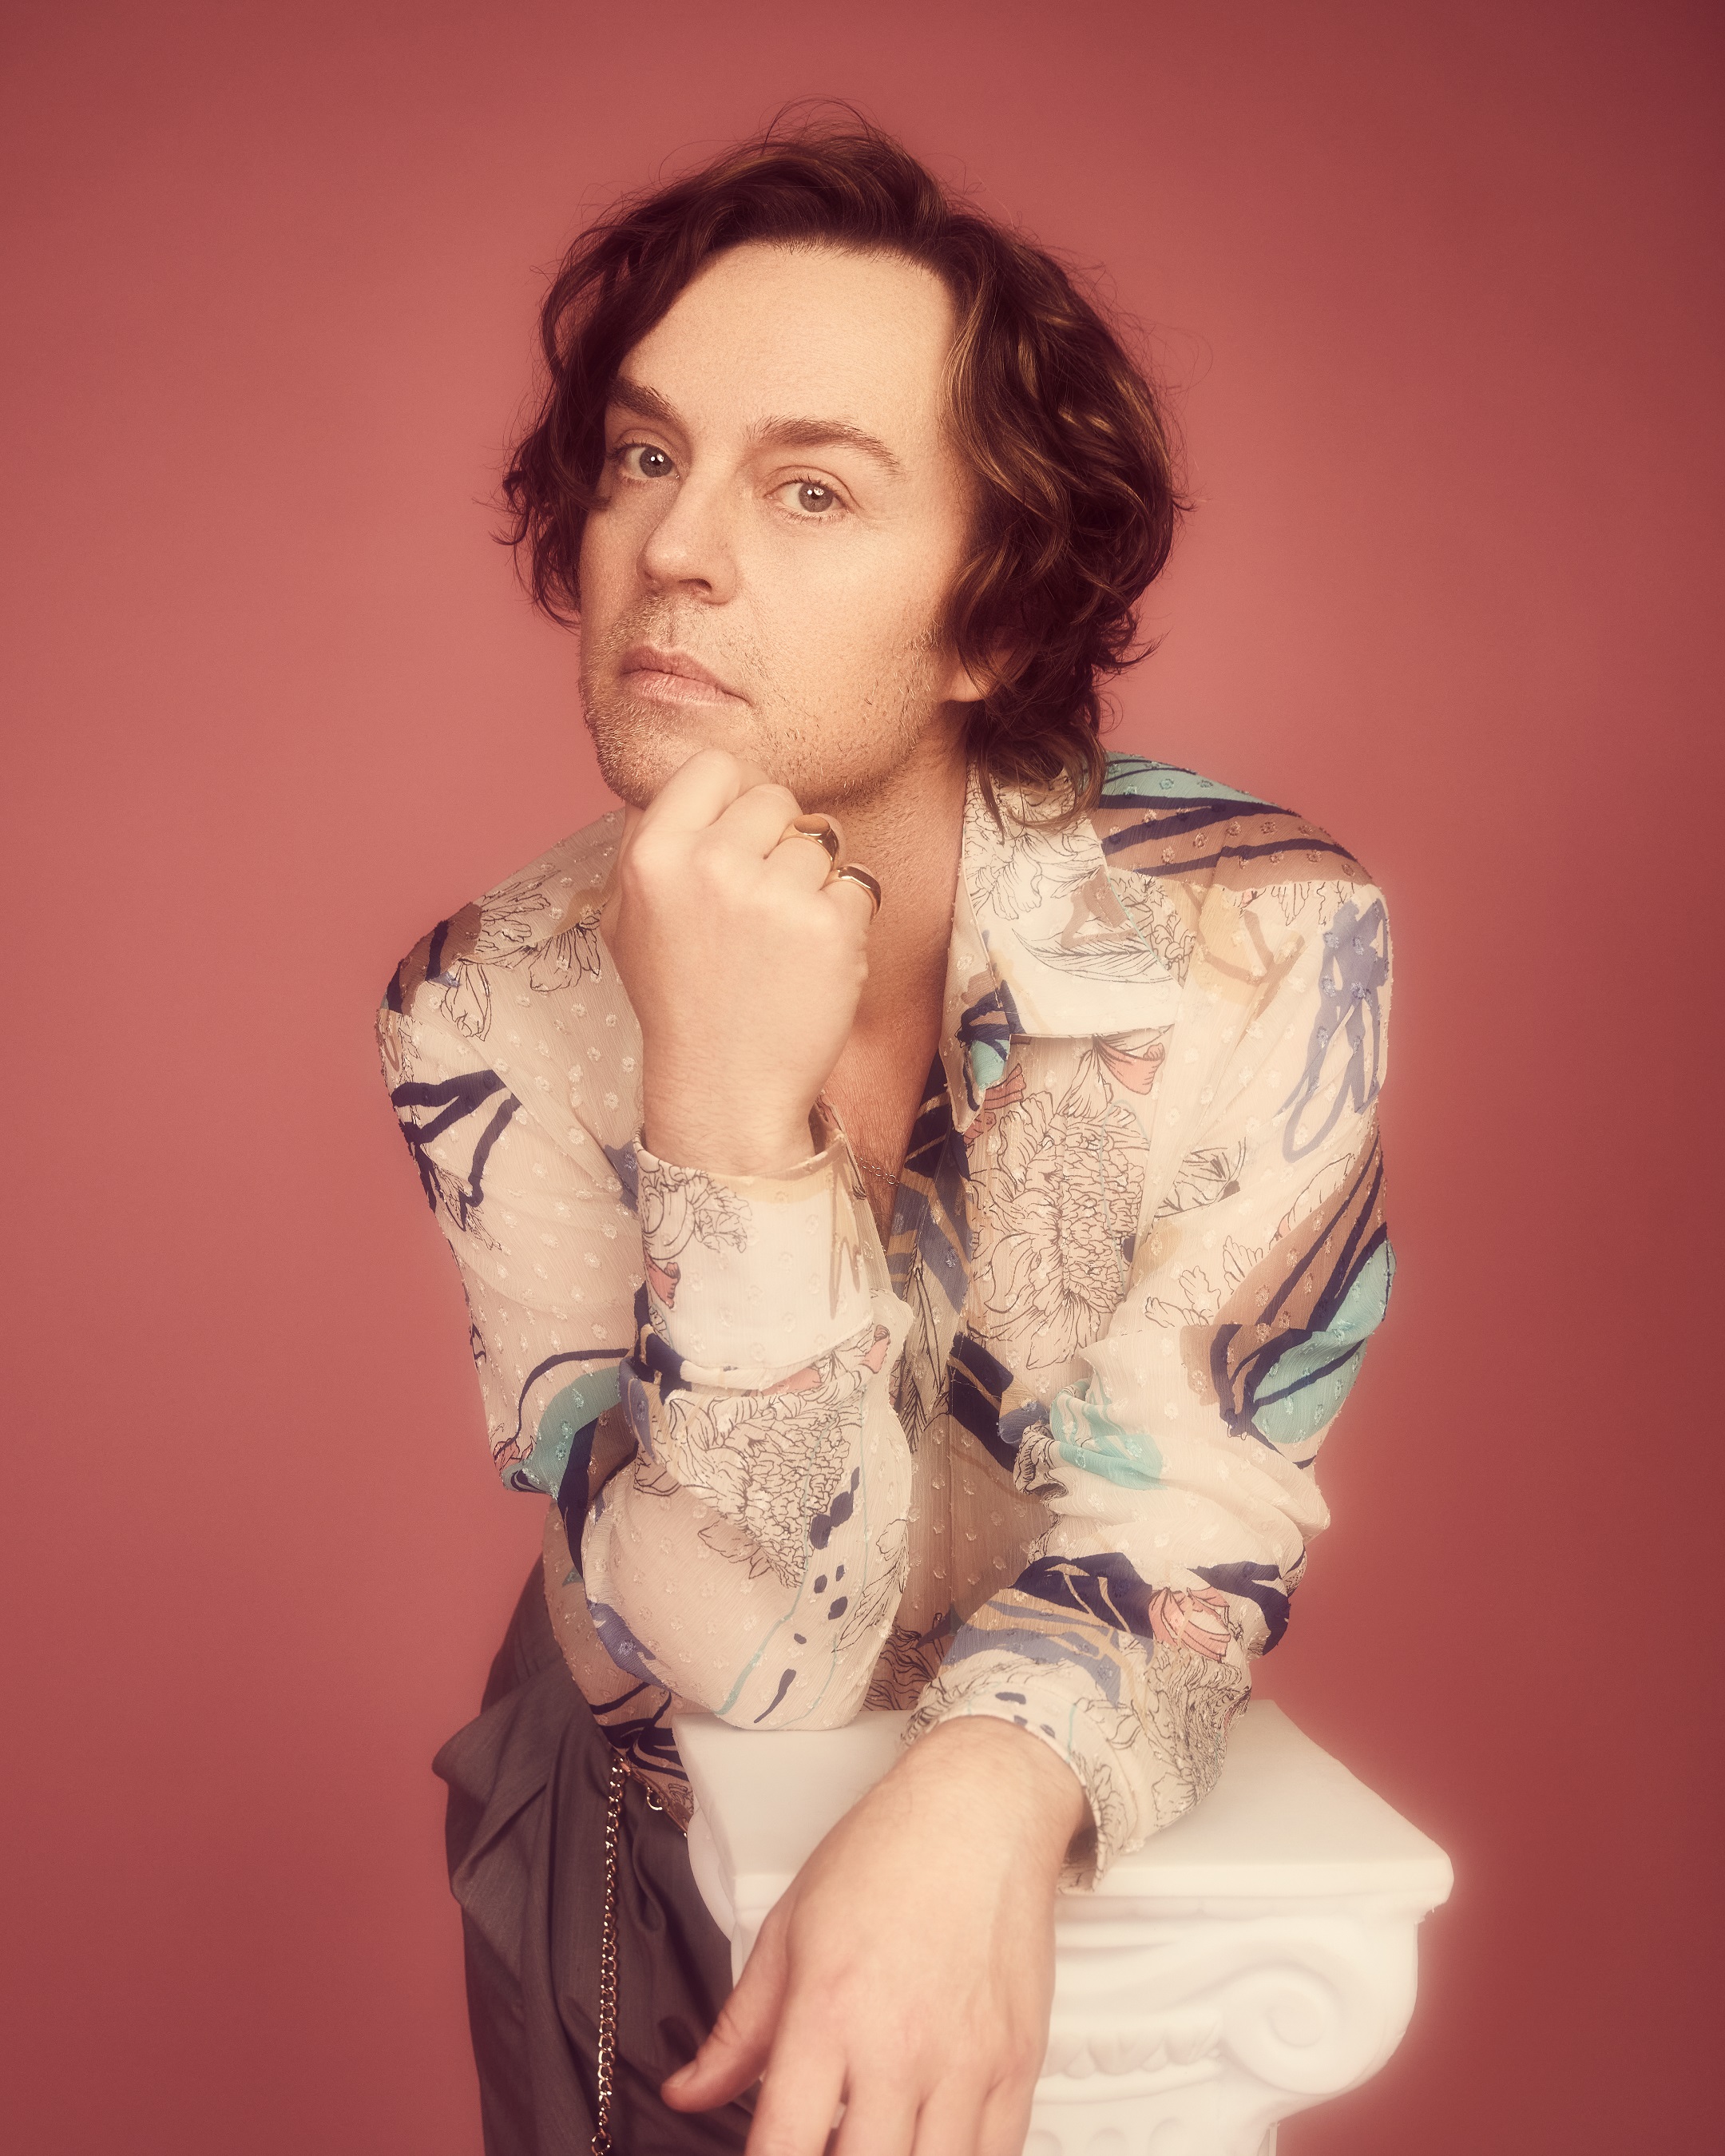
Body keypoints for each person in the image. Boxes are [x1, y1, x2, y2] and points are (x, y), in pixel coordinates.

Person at [376, 116, 1394, 2156]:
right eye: (645, 456)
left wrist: (985, 1792)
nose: (674, 549)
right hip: (633, 1837)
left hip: (1069, 1808)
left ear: (989, 621)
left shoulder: (1262, 939)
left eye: (812, 487)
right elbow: (753, 1664)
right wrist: (727, 1122)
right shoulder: (490, 1004)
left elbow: (1196, 1507)